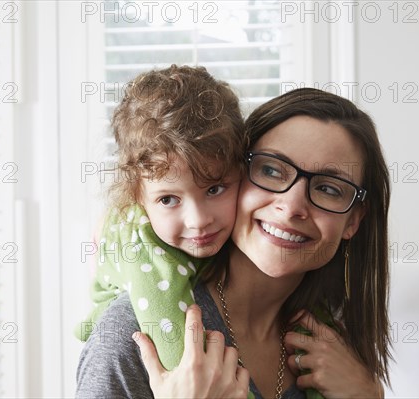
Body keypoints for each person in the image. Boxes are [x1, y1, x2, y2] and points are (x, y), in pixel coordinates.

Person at [76, 87, 391, 398]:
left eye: (329, 188)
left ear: (353, 220)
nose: (292, 206)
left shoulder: (337, 345)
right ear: (234, 169)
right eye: (271, 170)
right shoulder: (132, 333)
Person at [76, 64, 247, 371]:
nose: (198, 220)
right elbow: (179, 355)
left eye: (215, 189)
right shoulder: (146, 251)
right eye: (168, 199)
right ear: (137, 197)